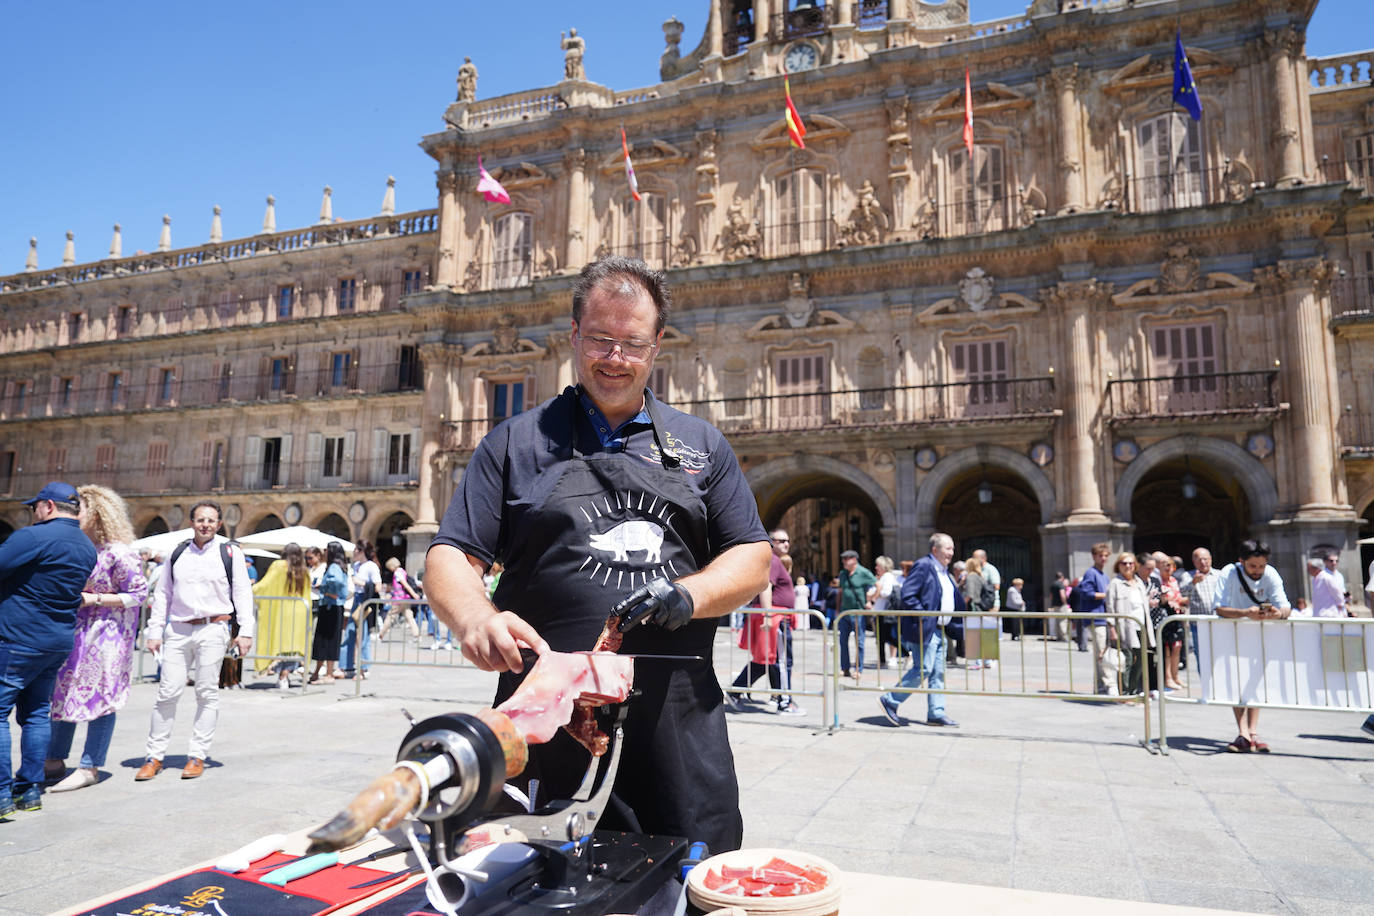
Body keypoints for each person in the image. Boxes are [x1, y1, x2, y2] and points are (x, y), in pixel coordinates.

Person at [425, 255, 770, 854]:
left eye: (632, 343)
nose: (615, 358)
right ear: (574, 337)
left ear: (658, 344)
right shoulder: (514, 443)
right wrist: (476, 619)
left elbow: (751, 556)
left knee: (690, 883)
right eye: (601, 340)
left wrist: (689, 595)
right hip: (544, 721)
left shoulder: (700, 444)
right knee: (532, 882)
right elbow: (451, 553)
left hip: (677, 724)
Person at [135, 500, 254, 781]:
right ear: (192, 523)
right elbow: (163, 594)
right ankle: (154, 756)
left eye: (211, 520)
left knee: (206, 691)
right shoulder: (177, 553)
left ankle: (197, 755)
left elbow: (242, 593)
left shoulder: (230, 553)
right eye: (201, 520)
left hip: (214, 628)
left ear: (219, 524)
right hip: (178, 629)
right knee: (167, 692)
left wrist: (245, 631)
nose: (206, 525)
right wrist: (154, 631)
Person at [0, 482, 98, 817]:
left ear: (49, 506)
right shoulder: (87, 547)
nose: (33, 513)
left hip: (16, 637)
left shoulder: (33, 537)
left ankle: (1, 795)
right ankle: (28, 790)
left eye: (35, 507)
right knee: (37, 713)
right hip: (56, 640)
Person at [45, 485, 148, 792]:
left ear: (98, 512)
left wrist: (96, 600)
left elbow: (139, 594)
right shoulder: (78, 547)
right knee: (64, 692)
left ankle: (91, 765)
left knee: (102, 697)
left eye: (79, 508)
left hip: (108, 636)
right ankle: (54, 760)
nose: (74, 514)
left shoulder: (120, 552)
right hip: (75, 633)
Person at [1214, 540, 1291, 752]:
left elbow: (1285, 606)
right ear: (1241, 561)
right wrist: (1246, 613)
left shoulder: (1271, 573)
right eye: (1252, 567)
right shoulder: (1229, 573)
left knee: (1255, 682)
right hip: (1233, 634)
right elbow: (1219, 608)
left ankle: (1253, 731)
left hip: (1260, 635)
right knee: (1236, 683)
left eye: (1261, 566)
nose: (1257, 571)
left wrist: (1278, 613)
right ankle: (1243, 731)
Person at [878, 532, 960, 728]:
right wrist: (924, 616)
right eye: (948, 548)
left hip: (940, 629)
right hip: (926, 628)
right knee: (923, 669)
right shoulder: (924, 566)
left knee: (938, 673)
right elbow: (908, 594)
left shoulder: (943, 571)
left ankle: (936, 713)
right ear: (935, 549)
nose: (952, 552)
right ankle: (890, 700)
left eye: (952, 548)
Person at [251, 543, 311, 690]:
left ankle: (283, 676)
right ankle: (285, 674)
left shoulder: (279, 566)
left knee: (281, 646)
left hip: (283, 611)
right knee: (292, 647)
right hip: (300, 611)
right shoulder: (304, 570)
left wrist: (249, 590)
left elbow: (264, 585)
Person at [1105, 553, 1148, 696]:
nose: (1128, 566)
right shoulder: (1115, 583)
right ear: (1118, 566)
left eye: (1130, 563)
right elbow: (1110, 607)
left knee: (1140, 660)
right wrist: (1112, 628)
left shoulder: (1139, 582)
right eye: (1124, 563)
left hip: (1141, 626)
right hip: (1124, 628)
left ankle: (1133, 690)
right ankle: (1124, 692)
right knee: (1127, 660)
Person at [309, 542, 350, 683]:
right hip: (333, 606)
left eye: (326, 549)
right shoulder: (340, 566)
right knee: (326, 640)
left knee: (326, 639)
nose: (324, 552)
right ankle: (319, 672)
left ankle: (328, 674)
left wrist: (326, 589)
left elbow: (337, 582)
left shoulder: (333, 567)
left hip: (330, 606)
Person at [340, 540, 381, 679]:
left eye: (356, 550)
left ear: (362, 551)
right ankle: (346, 666)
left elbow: (378, 587)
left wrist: (361, 583)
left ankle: (364, 668)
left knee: (362, 635)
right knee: (350, 632)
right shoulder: (356, 565)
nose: (353, 553)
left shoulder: (371, 566)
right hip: (356, 600)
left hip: (365, 601)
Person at [1182, 547, 1224, 673]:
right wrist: (1193, 582)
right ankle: (1206, 686)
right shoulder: (1187, 576)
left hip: (1219, 622)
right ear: (1194, 561)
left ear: (1210, 559)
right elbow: (1182, 594)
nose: (1203, 562)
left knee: (1220, 655)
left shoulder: (1220, 574)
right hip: (1198, 625)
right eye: (1199, 560)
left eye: (1205, 559)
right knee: (1202, 657)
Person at [836, 550, 876, 679]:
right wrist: (837, 609)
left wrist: (871, 601)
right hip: (844, 612)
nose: (843, 561)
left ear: (854, 559)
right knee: (843, 641)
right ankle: (845, 668)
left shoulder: (863, 572)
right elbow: (840, 592)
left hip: (858, 612)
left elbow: (877, 585)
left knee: (859, 642)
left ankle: (858, 669)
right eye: (843, 559)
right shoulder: (843, 574)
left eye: (846, 558)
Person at [1079, 544, 1112, 690]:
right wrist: (1107, 596)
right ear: (1094, 556)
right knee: (1100, 652)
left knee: (1102, 652)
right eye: (1100, 555)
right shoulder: (1091, 573)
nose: (1103, 558)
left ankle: (1099, 684)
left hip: (1103, 617)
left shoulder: (1104, 576)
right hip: (1095, 616)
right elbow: (1086, 593)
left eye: (1105, 555)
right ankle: (1105, 683)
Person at [1155, 553, 1188, 690]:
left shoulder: (1174, 581)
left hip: (1176, 616)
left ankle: (1175, 676)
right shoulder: (1157, 581)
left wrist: (1184, 601)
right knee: (1167, 649)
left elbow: (1179, 597)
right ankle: (1167, 678)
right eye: (1165, 566)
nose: (1169, 569)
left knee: (1177, 647)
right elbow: (1161, 600)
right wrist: (1170, 601)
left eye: (1171, 566)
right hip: (1164, 616)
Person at [377, 557, 422, 641]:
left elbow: (405, 585)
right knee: (409, 617)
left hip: (398, 599)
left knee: (390, 617)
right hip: (405, 598)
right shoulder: (402, 571)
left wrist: (414, 594)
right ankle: (417, 635)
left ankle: (381, 635)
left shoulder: (397, 573)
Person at [870, 555, 902, 669]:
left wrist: (876, 594)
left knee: (888, 636)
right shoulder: (881, 577)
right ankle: (882, 659)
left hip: (886, 612)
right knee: (880, 638)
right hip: (879, 612)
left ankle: (905, 653)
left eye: (878, 565)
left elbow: (886, 592)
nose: (876, 568)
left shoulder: (887, 576)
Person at [1312, 550, 1348, 618]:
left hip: (1338, 612)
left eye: (1336, 561)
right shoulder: (1322, 576)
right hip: (1327, 613)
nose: (1334, 563)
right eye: (1331, 561)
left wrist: (1346, 597)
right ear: (1325, 561)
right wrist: (1341, 602)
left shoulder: (1339, 576)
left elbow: (1341, 592)